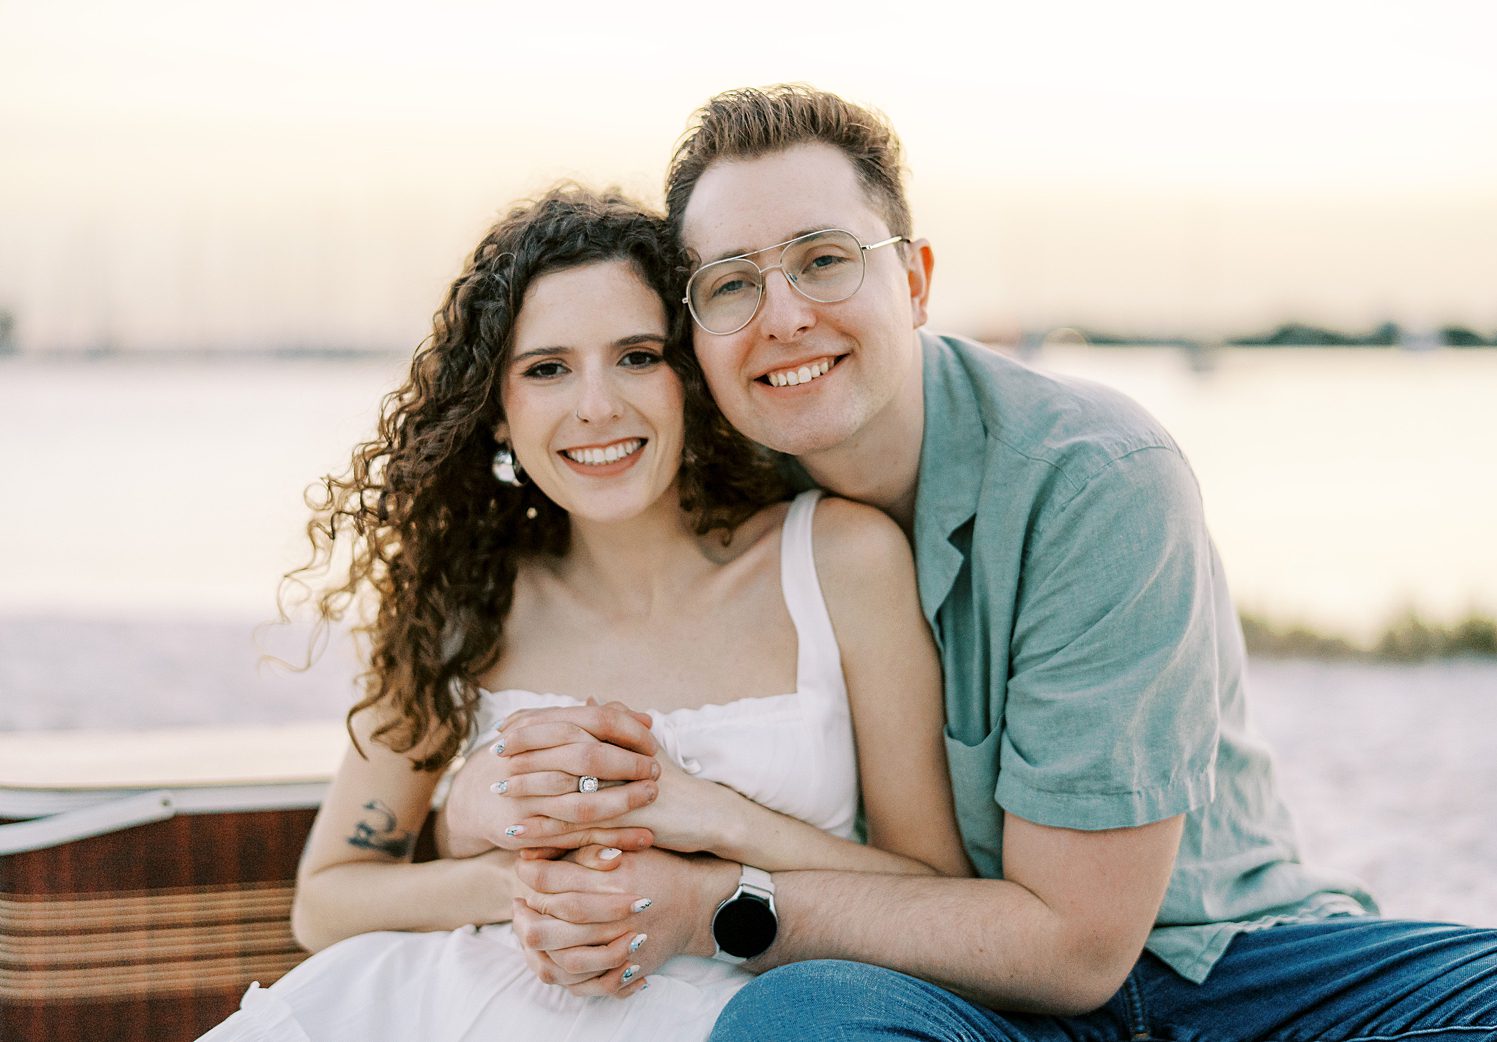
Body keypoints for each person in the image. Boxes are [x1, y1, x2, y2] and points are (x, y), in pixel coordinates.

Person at [441, 87, 1497, 1040]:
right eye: (730, 284)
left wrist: (712, 900)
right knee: (791, 1024)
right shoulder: (713, 484)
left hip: (1220, 962)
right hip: (930, 988)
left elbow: (1082, 951)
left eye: (824, 259)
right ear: (697, 332)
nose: (785, 317)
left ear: (915, 279)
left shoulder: (1095, 481)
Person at [199, 185, 970, 1041]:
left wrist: (716, 822)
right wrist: (527, 881)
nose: (597, 406)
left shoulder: (838, 561)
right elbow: (327, 900)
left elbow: (935, 895)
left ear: (690, 378)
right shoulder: (468, 598)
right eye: (547, 368)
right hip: (445, 1003)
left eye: (637, 356)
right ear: (497, 411)